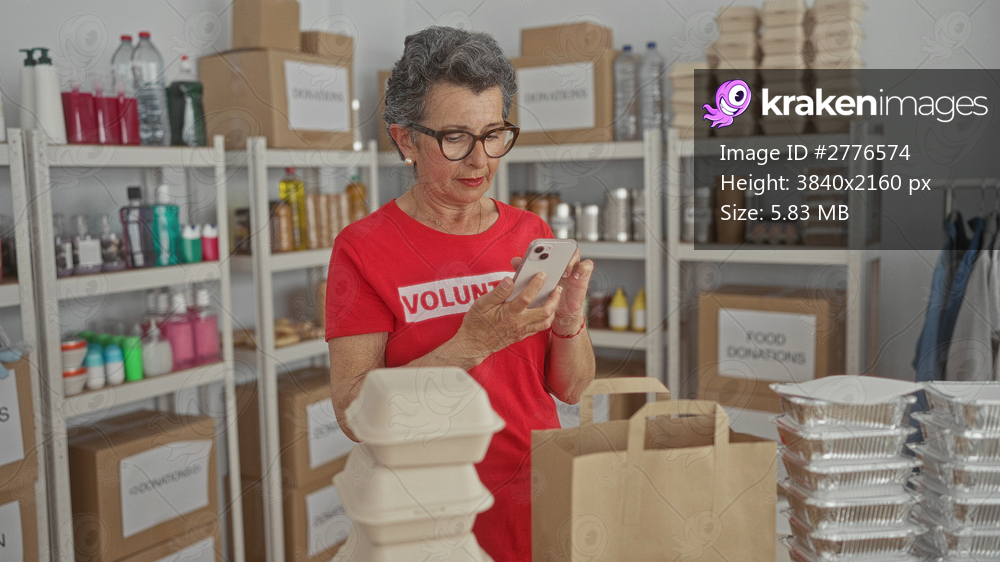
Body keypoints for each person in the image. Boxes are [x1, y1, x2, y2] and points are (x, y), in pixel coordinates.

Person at [325, 26, 596, 561]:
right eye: (455, 138)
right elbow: (355, 414)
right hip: (431, 517)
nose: (480, 160)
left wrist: (569, 322)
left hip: (538, 496)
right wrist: (471, 344)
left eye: (494, 134)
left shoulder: (530, 233)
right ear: (405, 140)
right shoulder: (362, 249)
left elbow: (572, 389)